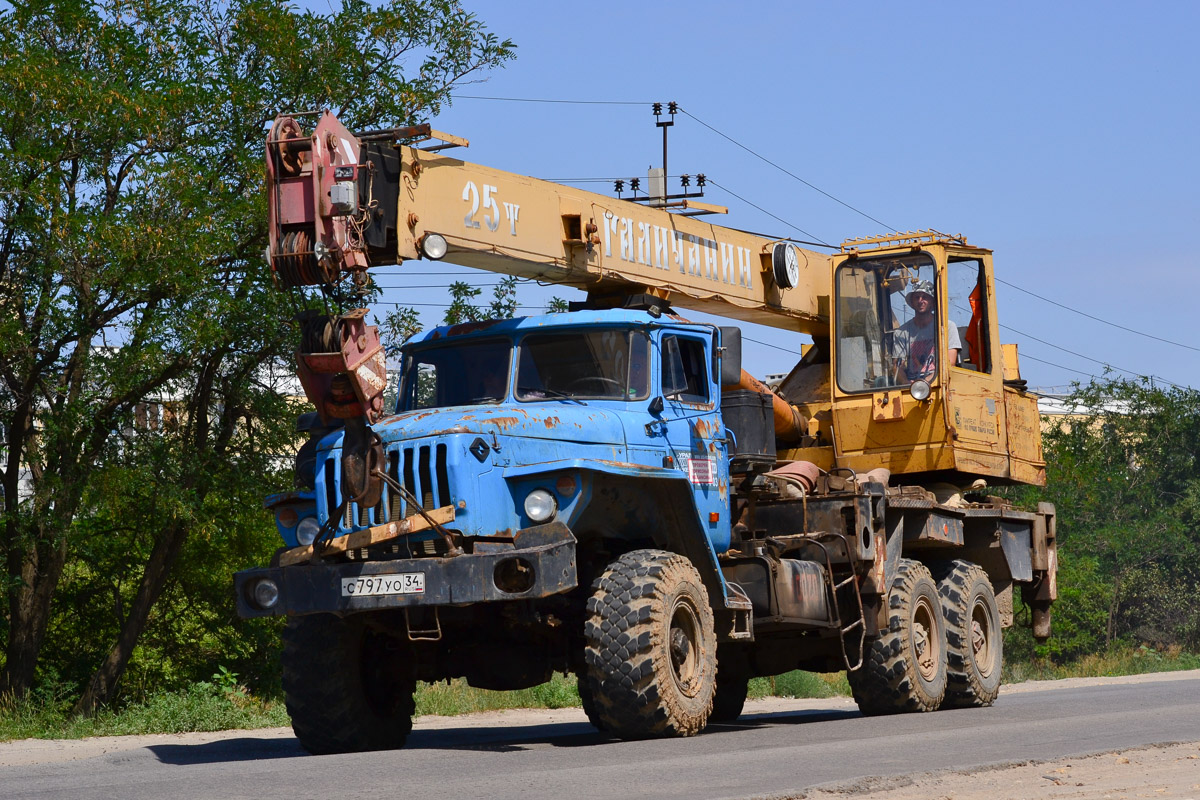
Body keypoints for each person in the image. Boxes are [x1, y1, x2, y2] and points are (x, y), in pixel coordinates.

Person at [891, 280, 960, 381]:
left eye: (925, 297)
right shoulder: (901, 332)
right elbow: (897, 367)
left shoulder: (947, 327)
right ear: (912, 302)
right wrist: (907, 385)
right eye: (917, 297)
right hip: (912, 386)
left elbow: (950, 363)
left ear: (932, 301)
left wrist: (926, 382)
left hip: (939, 383)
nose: (920, 301)